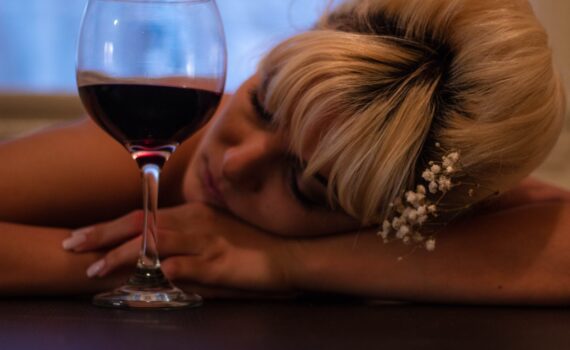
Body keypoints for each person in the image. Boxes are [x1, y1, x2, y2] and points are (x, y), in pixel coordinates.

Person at [1, 0, 568, 303]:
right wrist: (156, 268)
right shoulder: (173, 128)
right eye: (261, 105)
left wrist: (282, 262)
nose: (234, 161)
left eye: (304, 185)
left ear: (387, 222)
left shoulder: (411, 186)